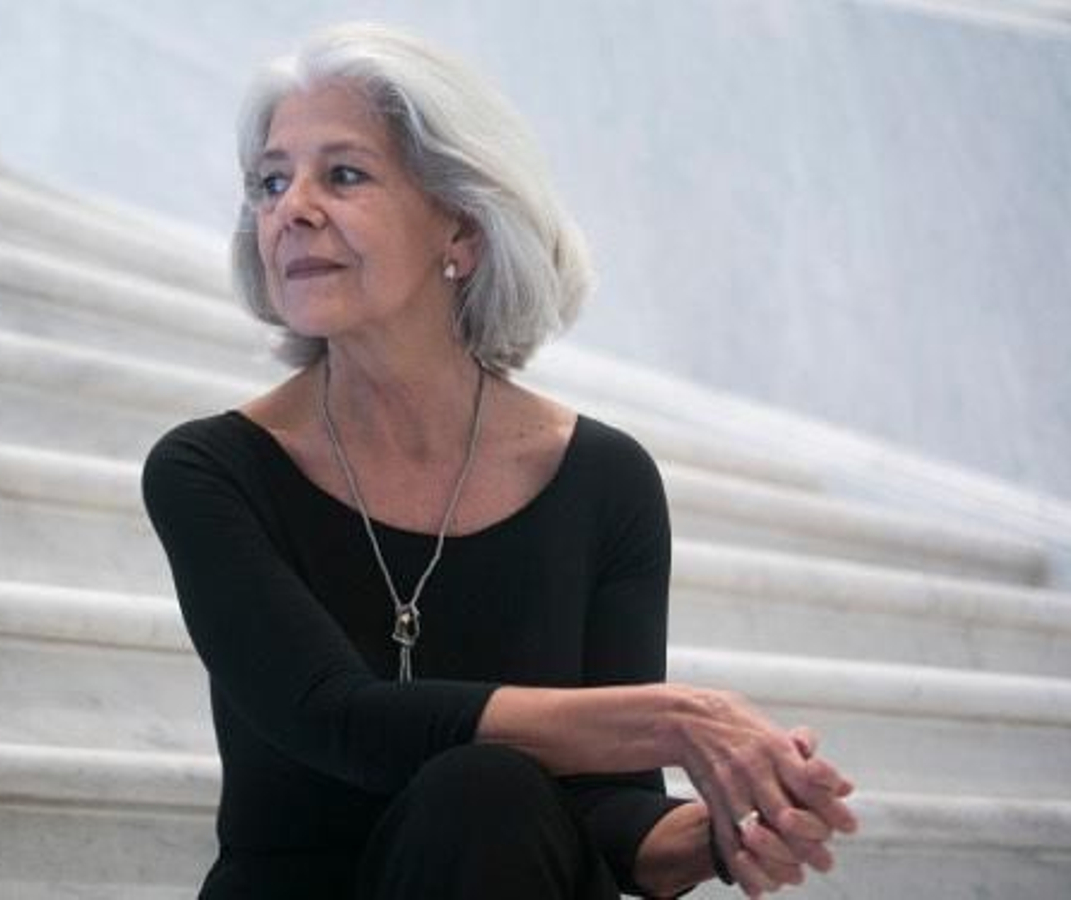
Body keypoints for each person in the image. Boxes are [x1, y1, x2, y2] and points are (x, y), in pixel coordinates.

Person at [141, 22, 856, 900]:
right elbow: (336, 719)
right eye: (270, 181)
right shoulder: (212, 469)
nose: (292, 208)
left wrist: (730, 832)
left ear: (464, 232)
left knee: (491, 799)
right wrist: (676, 718)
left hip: (505, 865)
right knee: (483, 785)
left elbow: (611, 817)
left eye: (345, 174)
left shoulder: (604, 481)